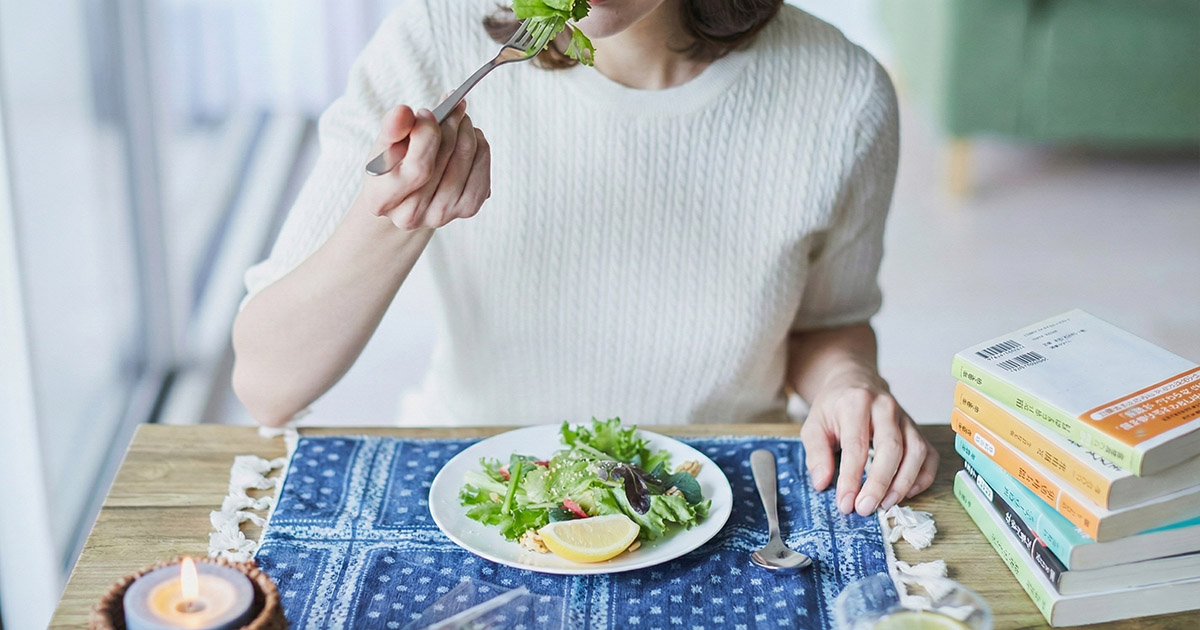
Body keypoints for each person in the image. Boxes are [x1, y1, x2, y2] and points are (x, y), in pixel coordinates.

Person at [231, 0, 939, 517]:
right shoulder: (431, 36)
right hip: (476, 489)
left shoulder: (844, 94)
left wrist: (849, 385)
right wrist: (395, 216)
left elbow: (826, 323)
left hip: (721, 499)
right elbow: (268, 383)